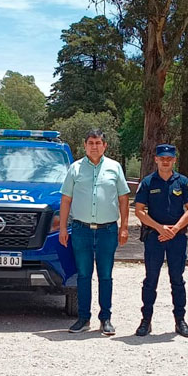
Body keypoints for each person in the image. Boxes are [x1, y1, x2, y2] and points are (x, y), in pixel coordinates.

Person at [59, 129, 130, 335]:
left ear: (104, 146)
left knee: (105, 276)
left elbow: (124, 198)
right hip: (81, 230)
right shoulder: (75, 169)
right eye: (91, 142)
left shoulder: (114, 168)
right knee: (83, 275)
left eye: (98, 142)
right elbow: (66, 200)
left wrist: (124, 227)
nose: (94, 146)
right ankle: (83, 318)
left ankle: (105, 319)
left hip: (107, 230)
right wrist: (63, 227)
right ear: (85, 145)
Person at [133, 144, 188, 338]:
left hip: (177, 238)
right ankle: (146, 320)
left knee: (177, 279)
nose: (166, 161)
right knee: (151, 280)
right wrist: (160, 228)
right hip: (155, 237)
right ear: (156, 159)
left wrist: (175, 229)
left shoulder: (183, 182)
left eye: (169, 158)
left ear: (174, 160)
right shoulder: (148, 182)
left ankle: (180, 321)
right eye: (162, 158)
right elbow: (139, 211)